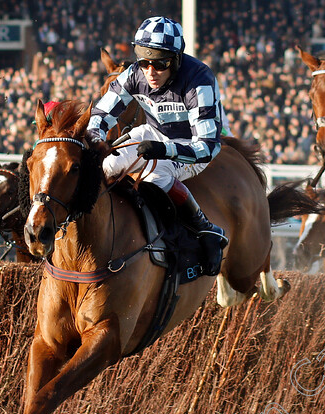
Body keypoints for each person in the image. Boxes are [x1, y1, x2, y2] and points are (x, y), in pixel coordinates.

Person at [86, 16, 228, 276]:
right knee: (106, 166)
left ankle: (205, 228)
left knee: (156, 175)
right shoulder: (134, 75)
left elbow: (207, 147)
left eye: (160, 64)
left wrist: (165, 150)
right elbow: (100, 114)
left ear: (175, 60)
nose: (150, 72)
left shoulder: (198, 79)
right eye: (144, 62)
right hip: (153, 132)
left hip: (191, 144)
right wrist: (96, 137)